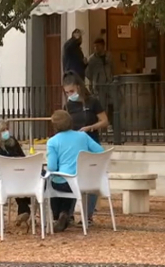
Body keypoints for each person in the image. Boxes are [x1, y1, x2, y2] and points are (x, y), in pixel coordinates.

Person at [63, 70, 109, 226]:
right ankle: (67, 214)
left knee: (91, 180)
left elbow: (104, 121)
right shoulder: (68, 106)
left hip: (91, 143)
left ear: (79, 87)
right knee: (70, 178)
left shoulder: (92, 102)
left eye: (72, 91)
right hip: (74, 147)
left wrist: (91, 127)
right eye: (67, 92)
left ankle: (87, 215)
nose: (70, 95)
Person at [46, 110, 104, 232]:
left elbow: (52, 167)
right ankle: (64, 213)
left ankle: (58, 215)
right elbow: (99, 151)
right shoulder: (83, 136)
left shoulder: (53, 141)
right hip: (84, 180)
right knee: (70, 182)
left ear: (54, 125)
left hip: (66, 181)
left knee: (52, 182)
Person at [0, 119, 31, 227]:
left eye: (7, 129)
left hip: (16, 173)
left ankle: (24, 210)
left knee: (25, 177)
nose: (6, 132)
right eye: (3, 130)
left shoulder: (12, 142)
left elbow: (22, 157)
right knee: (18, 179)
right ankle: (24, 209)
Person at [85, 38, 114, 127]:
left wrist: (111, 77)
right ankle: (102, 125)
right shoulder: (92, 59)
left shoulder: (109, 56)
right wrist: (95, 79)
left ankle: (111, 123)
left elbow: (113, 68)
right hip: (98, 85)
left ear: (103, 46)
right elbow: (87, 73)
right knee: (101, 105)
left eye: (98, 46)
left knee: (112, 103)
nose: (96, 48)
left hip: (109, 83)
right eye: (94, 46)